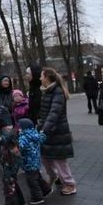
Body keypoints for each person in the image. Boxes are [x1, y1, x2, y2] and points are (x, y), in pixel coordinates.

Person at [38, 67, 77, 196]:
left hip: (57, 131)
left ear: (47, 78)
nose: (40, 78)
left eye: (41, 76)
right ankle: (53, 176)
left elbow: (54, 113)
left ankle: (70, 184)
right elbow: (45, 113)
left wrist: (44, 128)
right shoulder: (47, 91)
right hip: (48, 130)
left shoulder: (57, 92)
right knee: (45, 157)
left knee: (60, 160)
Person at [17, 118, 51, 204]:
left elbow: (20, 147)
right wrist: (42, 133)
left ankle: (37, 197)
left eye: (20, 127)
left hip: (28, 163)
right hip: (36, 162)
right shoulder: (35, 134)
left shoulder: (23, 137)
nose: (18, 129)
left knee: (32, 181)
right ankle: (46, 190)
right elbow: (42, 138)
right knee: (37, 178)